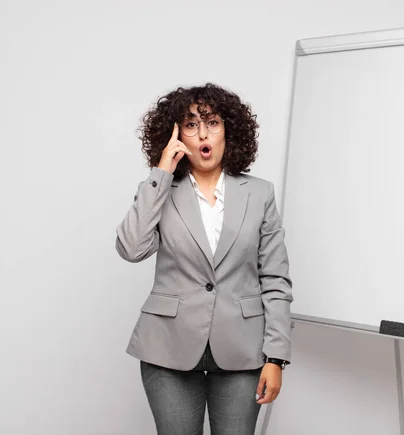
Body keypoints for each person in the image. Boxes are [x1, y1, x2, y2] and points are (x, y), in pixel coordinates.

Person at [115, 83, 293, 435]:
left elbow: (275, 279)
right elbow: (131, 248)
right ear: (176, 134)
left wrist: (275, 357)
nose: (203, 134)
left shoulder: (260, 193)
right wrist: (161, 172)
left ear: (229, 130)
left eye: (212, 122)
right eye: (191, 124)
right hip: (168, 347)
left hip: (242, 349)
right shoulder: (158, 189)